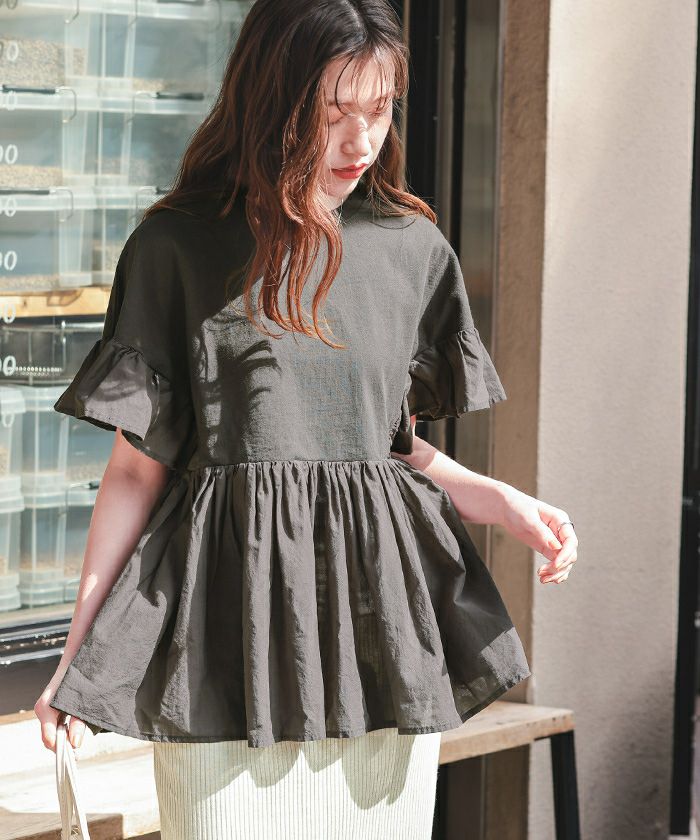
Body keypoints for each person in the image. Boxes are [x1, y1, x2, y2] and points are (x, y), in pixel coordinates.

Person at [34, 1, 578, 837]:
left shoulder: (411, 249)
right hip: (223, 646)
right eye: (333, 113)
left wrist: (501, 501)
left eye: (380, 109)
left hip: (379, 638)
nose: (362, 142)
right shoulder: (177, 249)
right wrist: (78, 661)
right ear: (272, 102)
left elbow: (385, 449)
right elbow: (137, 471)